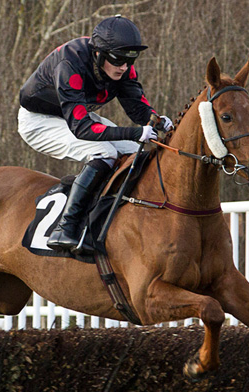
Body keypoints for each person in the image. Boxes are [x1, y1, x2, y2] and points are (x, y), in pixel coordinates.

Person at [18, 15, 173, 252]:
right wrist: (135, 132)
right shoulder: (69, 65)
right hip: (39, 121)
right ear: (99, 53)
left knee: (136, 151)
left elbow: (137, 107)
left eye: (129, 61)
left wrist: (159, 121)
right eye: (118, 60)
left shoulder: (123, 68)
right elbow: (82, 128)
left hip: (72, 115)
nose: (124, 67)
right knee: (104, 152)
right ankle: (65, 227)